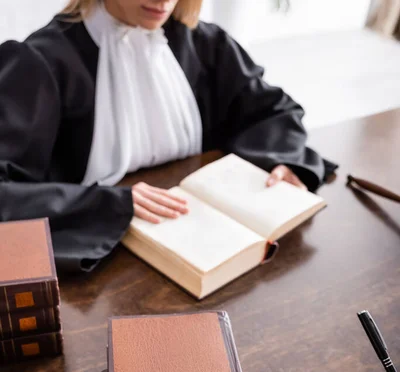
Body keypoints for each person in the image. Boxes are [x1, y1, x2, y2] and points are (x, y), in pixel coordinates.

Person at [0, 0, 336, 271]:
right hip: (102, 261)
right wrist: (106, 204)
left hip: (208, 245)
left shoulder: (204, 42)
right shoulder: (38, 61)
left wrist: (283, 159)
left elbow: (272, 109)